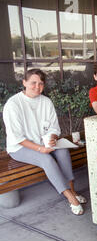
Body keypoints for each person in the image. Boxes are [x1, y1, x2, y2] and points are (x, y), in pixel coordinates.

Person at [2, 69, 86, 215]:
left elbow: (54, 126)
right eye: (33, 83)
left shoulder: (46, 102)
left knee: (63, 151)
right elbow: (17, 137)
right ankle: (71, 197)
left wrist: (53, 137)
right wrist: (40, 149)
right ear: (24, 83)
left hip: (43, 142)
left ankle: (72, 189)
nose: (37, 87)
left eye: (41, 84)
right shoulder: (13, 104)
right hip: (20, 147)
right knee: (46, 159)